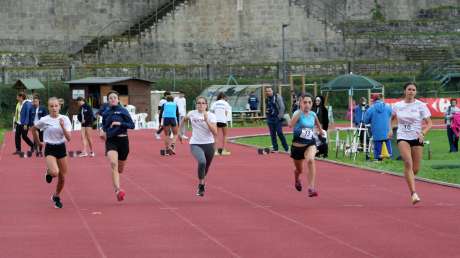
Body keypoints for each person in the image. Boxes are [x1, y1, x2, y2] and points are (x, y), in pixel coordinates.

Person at [391, 82, 432, 205]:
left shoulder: (421, 105)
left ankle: (408, 177)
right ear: (405, 91)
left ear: (416, 92)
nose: (411, 91)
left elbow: (429, 123)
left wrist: (423, 133)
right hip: (403, 136)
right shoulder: (397, 105)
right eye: (409, 89)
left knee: (415, 169)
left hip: (417, 137)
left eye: (413, 90)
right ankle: (413, 193)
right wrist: (390, 129)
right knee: (408, 162)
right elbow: (392, 119)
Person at [31, 97, 72, 208]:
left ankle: (56, 196)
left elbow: (69, 138)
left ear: (59, 106)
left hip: (61, 148)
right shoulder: (44, 119)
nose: (54, 108)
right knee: (55, 172)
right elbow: (33, 129)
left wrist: (63, 126)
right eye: (51, 106)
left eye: (56, 106)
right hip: (49, 148)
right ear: (48, 107)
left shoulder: (65, 119)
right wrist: (39, 142)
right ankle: (49, 172)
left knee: (63, 177)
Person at [100, 91, 135, 201]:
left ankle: (117, 181)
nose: (113, 99)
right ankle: (118, 190)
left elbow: (132, 125)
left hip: (123, 140)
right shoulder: (106, 113)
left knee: (120, 169)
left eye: (114, 97)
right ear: (108, 100)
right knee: (113, 164)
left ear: (118, 100)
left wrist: (120, 124)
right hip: (111, 141)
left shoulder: (123, 111)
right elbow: (104, 126)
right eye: (110, 98)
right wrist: (102, 131)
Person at [180, 96, 217, 197]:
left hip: (209, 144)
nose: (200, 105)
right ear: (196, 105)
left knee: (206, 167)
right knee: (202, 161)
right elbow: (183, 120)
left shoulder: (211, 115)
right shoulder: (192, 113)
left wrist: (206, 120)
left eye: (203, 103)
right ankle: (201, 185)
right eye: (198, 103)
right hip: (195, 143)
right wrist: (180, 133)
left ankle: (202, 181)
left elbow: (215, 132)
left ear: (206, 105)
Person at [289, 94, 324, 197]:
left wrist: (321, 131)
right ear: (301, 103)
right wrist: (300, 112)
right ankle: (296, 178)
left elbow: (317, 125)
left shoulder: (313, 114)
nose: (307, 105)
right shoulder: (297, 113)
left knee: (310, 160)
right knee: (299, 170)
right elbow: (290, 125)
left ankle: (311, 188)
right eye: (305, 102)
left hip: (309, 143)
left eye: (309, 102)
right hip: (297, 146)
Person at [364, 94, 393, 161]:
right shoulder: (388, 107)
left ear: (373, 100)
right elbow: (391, 115)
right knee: (388, 148)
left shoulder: (371, 108)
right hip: (387, 132)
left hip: (376, 133)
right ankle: (388, 159)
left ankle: (378, 159)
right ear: (380, 98)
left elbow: (365, 121)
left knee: (378, 148)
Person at [265, 87, 289, 152]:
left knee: (280, 133)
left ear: (272, 91)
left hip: (277, 118)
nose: (268, 92)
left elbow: (282, 107)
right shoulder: (267, 99)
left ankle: (286, 148)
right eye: (267, 91)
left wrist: (279, 117)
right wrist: (267, 116)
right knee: (272, 134)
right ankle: (275, 148)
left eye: (269, 91)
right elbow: (268, 107)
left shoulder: (277, 97)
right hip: (270, 118)